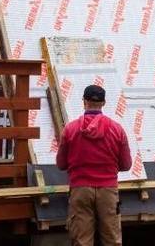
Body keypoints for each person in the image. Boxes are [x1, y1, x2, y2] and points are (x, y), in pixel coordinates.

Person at [56, 85, 133, 246]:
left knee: (82, 240)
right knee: (112, 240)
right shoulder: (117, 129)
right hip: (108, 190)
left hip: (80, 190)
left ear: (84, 101)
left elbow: (61, 164)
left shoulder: (70, 130)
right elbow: (126, 165)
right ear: (103, 103)